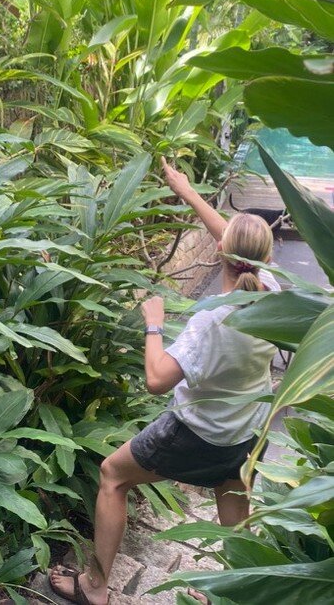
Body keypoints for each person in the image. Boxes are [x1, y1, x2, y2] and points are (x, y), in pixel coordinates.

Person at [49, 158, 280, 605]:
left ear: (220, 255)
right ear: (266, 258)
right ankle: (236, 592)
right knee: (233, 502)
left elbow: (156, 380)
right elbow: (232, 241)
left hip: (199, 433)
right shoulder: (273, 290)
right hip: (249, 430)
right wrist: (187, 191)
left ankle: (95, 588)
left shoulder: (211, 320)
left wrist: (153, 323)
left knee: (113, 476)